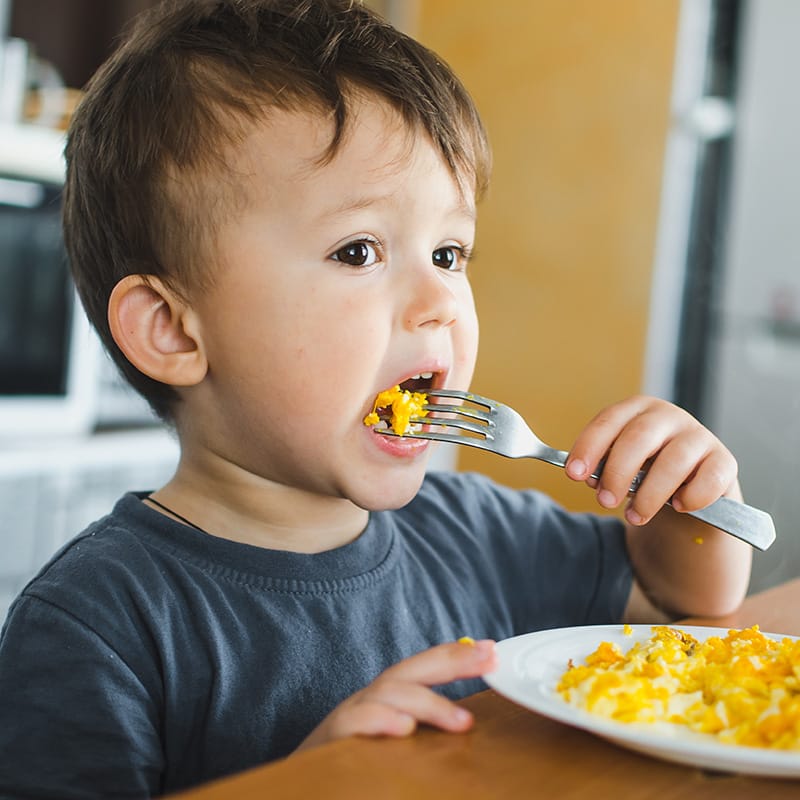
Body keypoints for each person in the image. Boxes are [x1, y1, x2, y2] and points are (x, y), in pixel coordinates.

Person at [0, 1, 752, 797]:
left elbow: (685, 596)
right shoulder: (96, 626)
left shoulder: (475, 533)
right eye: (359, 250)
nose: (441, 300)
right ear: (174, 333)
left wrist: (690, 501)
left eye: (449, 251)